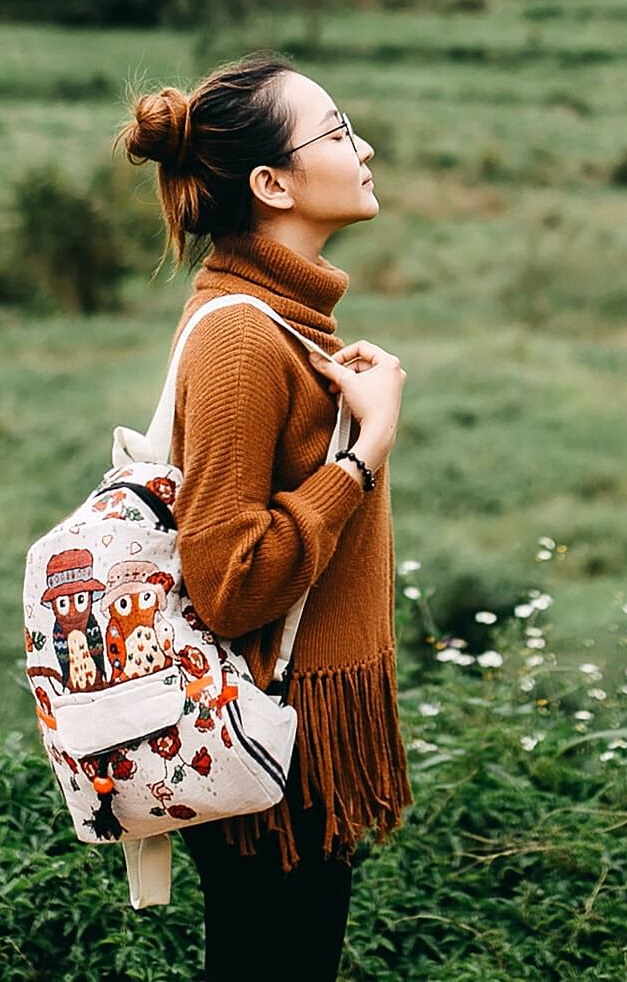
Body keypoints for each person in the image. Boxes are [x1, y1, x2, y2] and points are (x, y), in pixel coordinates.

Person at [117, 53, 410, 980]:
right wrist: (365, 453)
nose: (363, 149)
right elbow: (229, 580)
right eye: (336, 132)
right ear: (271, 181)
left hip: (295, 729)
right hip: (268, 726)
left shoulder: (284, 320)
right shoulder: (242, 335)